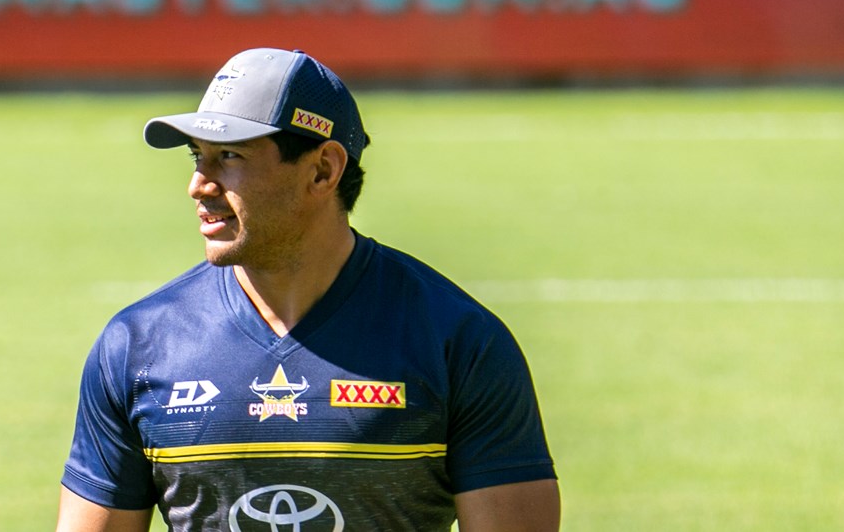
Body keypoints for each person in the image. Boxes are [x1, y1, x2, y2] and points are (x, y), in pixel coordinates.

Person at [58, 48, 559, 532]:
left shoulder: (459, 343)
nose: (198, 184)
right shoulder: (138, 346)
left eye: (229, 156)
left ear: (323, 170)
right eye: (197, 156)